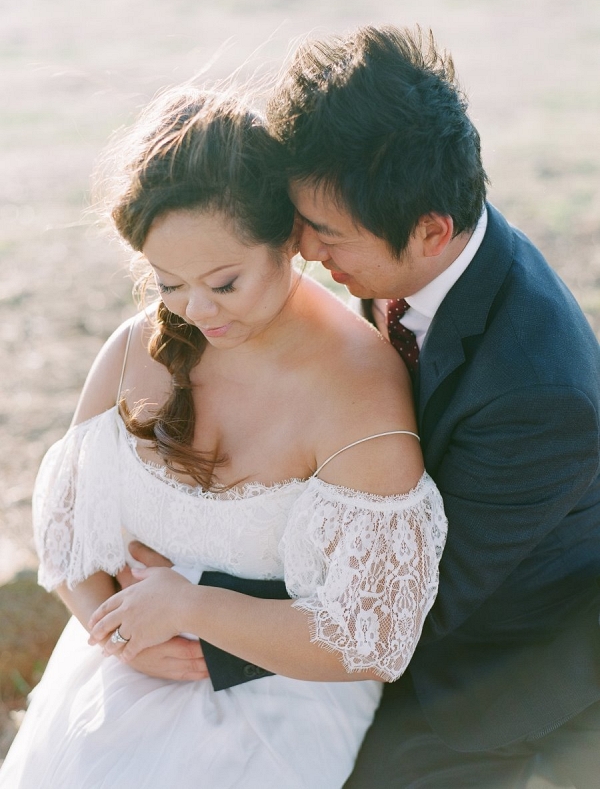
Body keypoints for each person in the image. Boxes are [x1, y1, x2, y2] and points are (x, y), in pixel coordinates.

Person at [0, 86, 446, 789]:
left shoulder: (358, 386)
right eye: (168, 281)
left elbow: (371, 637)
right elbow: (64, 538)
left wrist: (191, 607)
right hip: (126, 661)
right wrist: (116, 635)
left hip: (284, 688)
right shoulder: (135, 347)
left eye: (225, 282)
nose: (195, 310)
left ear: (289, 242)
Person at [264, 25, 600, 788]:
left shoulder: (541, 393)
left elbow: (413, 605)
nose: (306, 253)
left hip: (495, 660)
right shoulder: (408, 230)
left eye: (325, 234)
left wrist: (211, 618)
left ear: (430, 232)